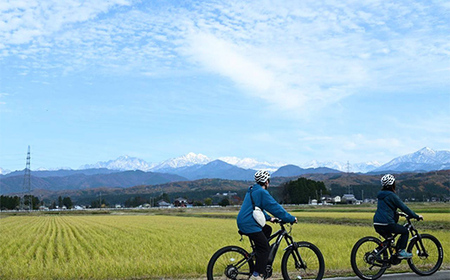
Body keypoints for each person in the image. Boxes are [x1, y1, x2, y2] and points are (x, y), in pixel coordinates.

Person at [237, 170, 297, 280]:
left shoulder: (252, 190)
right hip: (249, 223)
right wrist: (291, 218)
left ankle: (258, 256)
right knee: (265, 248)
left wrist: (270, 218)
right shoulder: (262, 192)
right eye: (269, 181)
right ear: (266, 182)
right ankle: (257, 275)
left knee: (267, 229)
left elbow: (256, 208)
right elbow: (275, 208)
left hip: (244, 221)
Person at [373, 174, 423, 259]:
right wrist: (416, 216)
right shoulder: (392, 195)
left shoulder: (381, 195)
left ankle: (376, 254)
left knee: (390, 240)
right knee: (405, 231)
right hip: (387, 223)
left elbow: (386, 208)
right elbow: (404, 207)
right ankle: (401, 252)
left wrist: (396, 213)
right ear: (393, 184)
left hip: (377, 223)